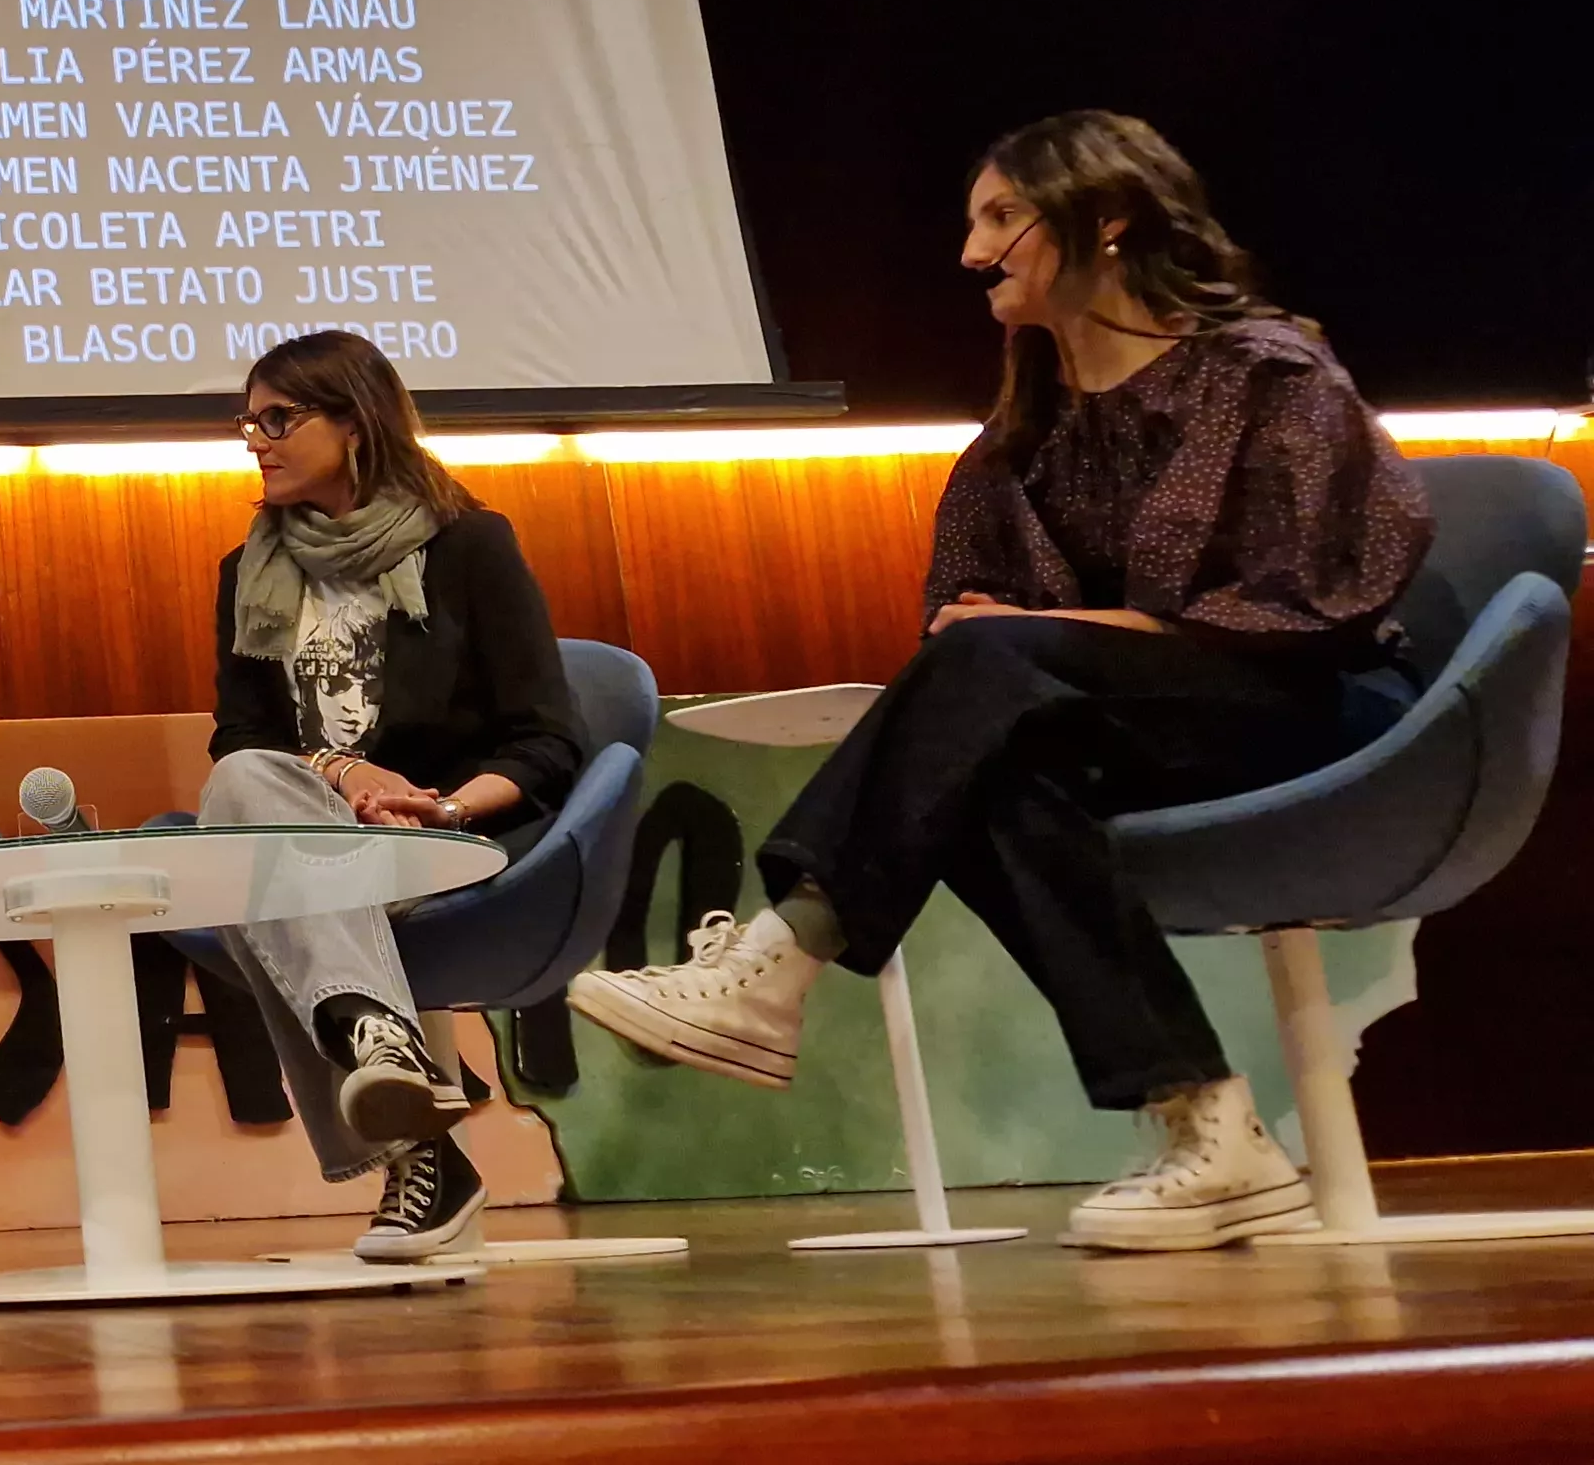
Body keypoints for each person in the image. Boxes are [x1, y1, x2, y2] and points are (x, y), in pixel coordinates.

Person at [568, 110, 1432, 1253]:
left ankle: (773, 962)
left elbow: (1313, 597)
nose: (975, 254)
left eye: (1002, 218)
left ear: (1107, 220)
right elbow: (968, 614)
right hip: (1129, 719)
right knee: (982, 776)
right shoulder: (1030, 421)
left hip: (1311, 710)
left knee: (984, 681)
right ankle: (1213, 1129)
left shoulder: (1267, 378)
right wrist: (1026, 633)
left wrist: (1042, 629)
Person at [190, 332, 582, 1261]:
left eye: (280, 418)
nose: (257, 440)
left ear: (355, 421)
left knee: (257, 880)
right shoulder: (244, 574)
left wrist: (440, 808)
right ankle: (384, 1056)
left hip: (442, 837)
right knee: (244, 788)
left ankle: (422, 1151)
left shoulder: (470, 547)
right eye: (250, 421)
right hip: (313, 831)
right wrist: (344, 772)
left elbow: (549, 740)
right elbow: (244, 741)